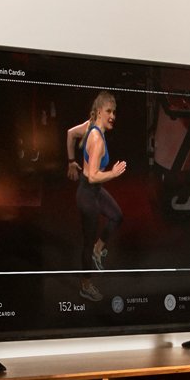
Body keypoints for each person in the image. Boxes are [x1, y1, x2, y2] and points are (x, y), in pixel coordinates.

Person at [74, 91, 127, 303]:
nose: (113, 116)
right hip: (87, 194)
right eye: (109, 112)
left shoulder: (93, 128)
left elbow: (69, 134)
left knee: (117, 216)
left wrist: (70, 160)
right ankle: (85, 285)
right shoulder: (96, 138)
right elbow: (93, 176)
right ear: (98, 112)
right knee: (87, 243)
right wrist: (113, 173)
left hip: (94, 191)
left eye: (114, 112)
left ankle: (99, 248)